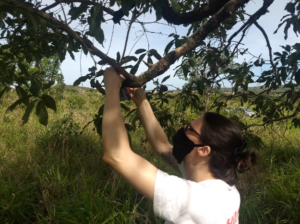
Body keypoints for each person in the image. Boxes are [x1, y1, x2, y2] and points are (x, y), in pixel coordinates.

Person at [102, 67, 257, 224]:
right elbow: (162, 146)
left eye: (189, 129)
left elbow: (117, 155)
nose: (183, 131)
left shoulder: (196, 201)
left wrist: (112, 89)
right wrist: (140, 99)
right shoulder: (226, 189)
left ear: (203, 150)